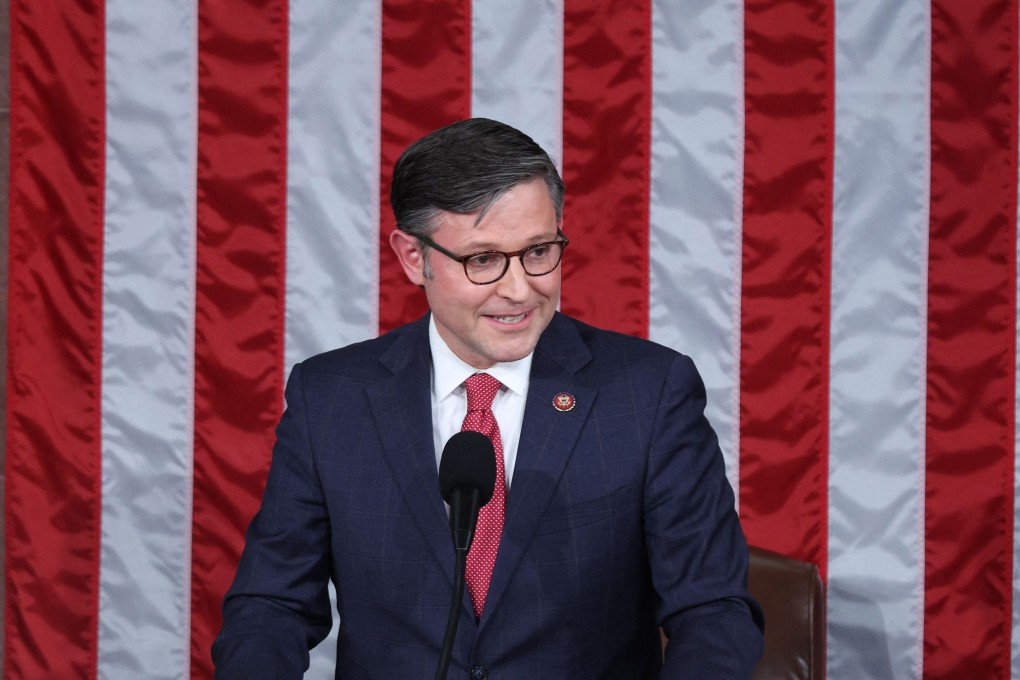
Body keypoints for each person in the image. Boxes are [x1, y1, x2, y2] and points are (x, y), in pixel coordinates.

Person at [212, 118, 764, 678]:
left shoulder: (648, 394)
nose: (520, 289)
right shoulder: (331, 400)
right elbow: (272, 606)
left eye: (538, 251)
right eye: (482, 260)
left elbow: (712, 610)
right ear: (413, 257)